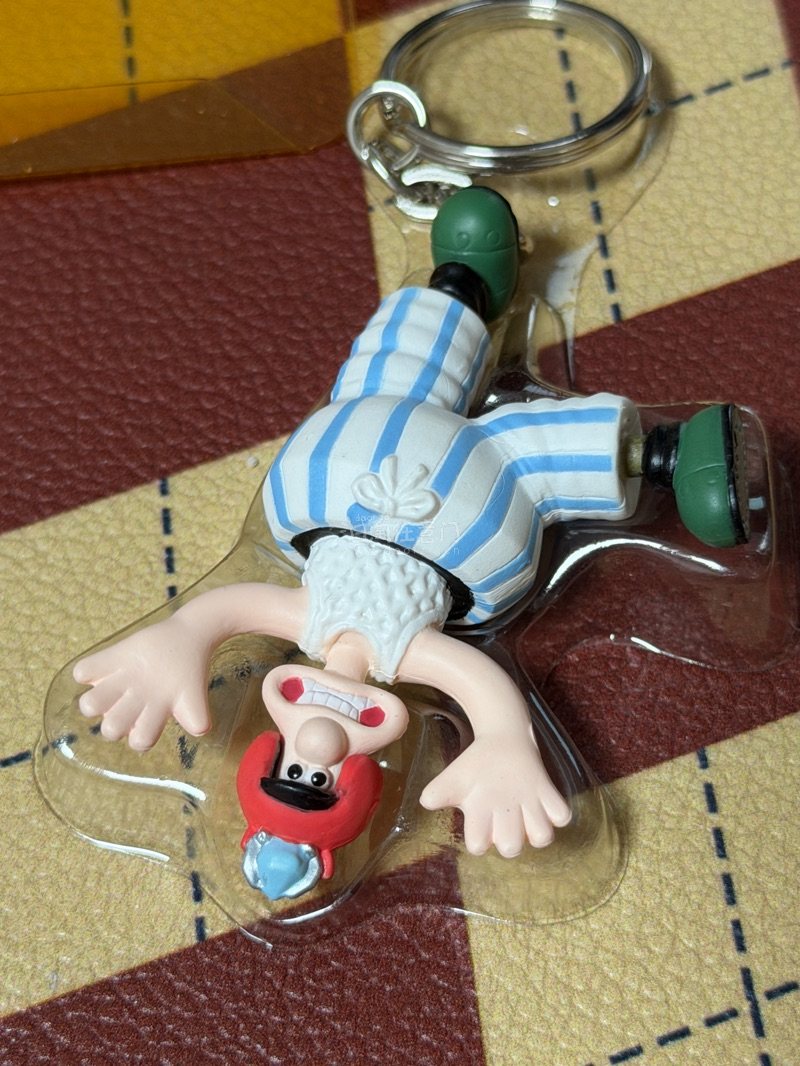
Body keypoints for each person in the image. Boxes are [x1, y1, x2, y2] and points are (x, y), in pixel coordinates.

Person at [74, 188, 749, 899]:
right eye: (321, 783)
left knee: (399, 362)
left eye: (291, 770)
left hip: (358, 441)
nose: (316, 749)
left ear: (266, 752)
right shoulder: (410, 652)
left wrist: (176, 641)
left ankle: (460, 285)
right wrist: (503, 745)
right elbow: (479, 684)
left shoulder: (303, 612)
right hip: (486, 492)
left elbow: (223, 610)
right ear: (358, 777)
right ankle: (670, 453)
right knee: (539, 457)